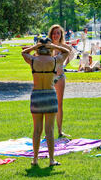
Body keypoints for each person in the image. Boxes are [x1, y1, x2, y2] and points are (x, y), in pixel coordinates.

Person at [21, 37, 72, 166]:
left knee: (37, 129)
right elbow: (67, 52)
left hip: (37, 95)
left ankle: (35, 159)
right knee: (49, 130)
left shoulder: (33, 60)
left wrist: (34, 47)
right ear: (49, 49)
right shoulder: (55, 60)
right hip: (50, 95)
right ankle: (51, 160)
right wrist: (55, 47)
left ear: (38, 48)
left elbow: (23, 53)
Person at [48, 24, 75, 138]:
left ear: (61, 35)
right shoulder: (47, 46)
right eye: (54, 33)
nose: (55, 35)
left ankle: (59, 131)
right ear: (51, 34)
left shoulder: (64, 47)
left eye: (58, 33)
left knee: (59, 104)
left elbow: (70, 53)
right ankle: (48, 132)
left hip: (60, 77)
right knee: (49, 105)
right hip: (48, 78)